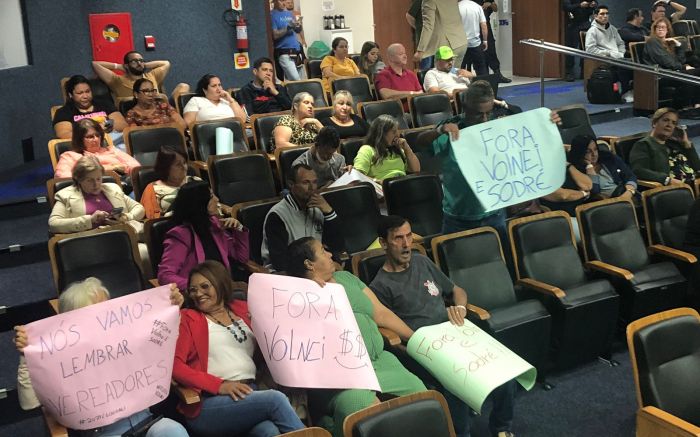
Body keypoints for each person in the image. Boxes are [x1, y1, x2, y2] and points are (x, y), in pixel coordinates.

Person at [369, 215, 516, 437]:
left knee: (503, 369)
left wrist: (460, 308)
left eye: (409, 236)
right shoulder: (380, 285)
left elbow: (457, 290)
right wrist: (411, 345)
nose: (407, 244)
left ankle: (501, 428)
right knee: (456, 385)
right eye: (398, 238)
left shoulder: (422, 261)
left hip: (455, 333)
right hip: (425, 347)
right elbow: (388, 331)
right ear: (383, 243)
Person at [286, 237, 426, 437]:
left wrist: (417, 340)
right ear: (309, 264)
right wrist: (312, 295)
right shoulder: (296, 296)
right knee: (368, 412)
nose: (330, 254)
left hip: (379, 361)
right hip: (341, 379)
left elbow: (381, 314)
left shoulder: (346, 278)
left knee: (420, 396)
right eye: (323, 252)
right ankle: (331, 426)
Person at [15, 277, 188, 437]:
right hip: (105, 433)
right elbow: (28, 403)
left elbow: (164, 343)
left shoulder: (129, 339)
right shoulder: (60, 358)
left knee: (173, 430)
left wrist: (172, 309)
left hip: (149, 423)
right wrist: (27, 356)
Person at [173, 260, 305, 436]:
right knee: (275, 400)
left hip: (250, 394)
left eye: (205, 286)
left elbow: (271, 343)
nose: (198, 294)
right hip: (209, 402)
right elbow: (175, 366)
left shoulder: (243, 309)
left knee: (269, 431)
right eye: (193, 290)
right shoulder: (188, 318)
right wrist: (219, 385)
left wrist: (263, 326)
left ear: (221, 284)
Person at [424, 80, 560, 239]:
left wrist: (547, 124)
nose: (484, 119)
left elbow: (529, 143)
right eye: (478, 114)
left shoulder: (498, 128)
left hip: (494, 215)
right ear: (465, 108)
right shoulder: (450, 128)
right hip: (458, 218)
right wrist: (439, 131)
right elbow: (419, 143)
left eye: (488, 113)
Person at [158, 180, 249, 291]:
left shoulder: (214, 226)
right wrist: (199, 287)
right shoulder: (180, 235)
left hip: (224, 291)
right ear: (200, 203)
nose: (217, 199)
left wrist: (239, 228)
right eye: (211, 197)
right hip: (200, 297)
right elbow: (165, 276)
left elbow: (241, 258)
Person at [261, 164, 344, 271]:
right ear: (291, 184)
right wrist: (312, 274)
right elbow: (280, 263)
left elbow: (337, 245)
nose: (312, 188)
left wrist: (329, 212)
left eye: (314, 182)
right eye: (306, 182)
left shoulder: (320, 207)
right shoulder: (277, 215)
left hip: (316, 269)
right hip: (286, 274)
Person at [49, 155, 144, 234]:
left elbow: (139, 208)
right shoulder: (65, 195)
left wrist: (126, 217)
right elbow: (54, 224)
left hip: (123, 238)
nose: (96, 184)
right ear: (79, 179)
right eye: (90, 180)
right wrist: (89, 220)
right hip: (91, 244)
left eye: (98, 179)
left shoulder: (113, 188)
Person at [629, 107, 700, 185]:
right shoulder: (644, 145)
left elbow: (697, 167)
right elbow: (638, 170)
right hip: (675, 190)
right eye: (666, 120)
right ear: (654, 123)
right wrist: (666, 180)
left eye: (674, 123)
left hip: (695, 185)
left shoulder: (675, 144)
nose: (669, 125)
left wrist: (687, 144)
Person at [54, 118, 140, 179]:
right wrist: (112, 168)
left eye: (98, 135)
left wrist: (120, 167)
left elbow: (136, 167)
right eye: (90, 137)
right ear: (79, 139)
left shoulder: (112, 150)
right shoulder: (69, 156)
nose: (96, 139)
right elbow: (64, 177)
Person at [53, 75, 127, 140]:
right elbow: (63, 135)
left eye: (87, 91)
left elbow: (122, 125)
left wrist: (109, 126)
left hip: (111, 141)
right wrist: (95, 130)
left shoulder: (104, 104)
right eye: (80, 93)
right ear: (70, 95)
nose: (85, 96)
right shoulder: (63, 112)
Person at [91, 50, 187, 100]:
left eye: (141, 60)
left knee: (184, 86)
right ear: (127, 65)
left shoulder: (152, 75)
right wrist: (119, 66)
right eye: (134, 61)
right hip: (135, 115)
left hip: (159, 109)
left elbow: (166, 63)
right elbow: (95, 64)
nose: (139, 63)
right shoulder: (117, 81)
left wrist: (144, 65)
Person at [568, 135, 638, 199]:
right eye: (588, 152)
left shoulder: (609, 158)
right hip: (608, 204)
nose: (594, 154)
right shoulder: (576, 171)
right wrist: (589, 167)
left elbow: (630, 175)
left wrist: (629, 191)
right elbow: (594, 190)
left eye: (595, 149)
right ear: (579, 154)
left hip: (627, 194)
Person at [585, 5, 632, 100]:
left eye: (607, 13)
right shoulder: (592, 31)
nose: (605, 16)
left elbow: (620, 43)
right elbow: (590, 50)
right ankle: (625, 92)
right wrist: (608, 53)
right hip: (604, 60)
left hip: (618, 57)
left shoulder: (612, 28)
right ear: (595, 16)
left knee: (635, 65)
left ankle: (632, 91)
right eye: (602, 14)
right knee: (624, 68)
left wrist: (621, 53)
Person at [354, 115, 420, 181]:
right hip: (381, 188)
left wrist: (407, 148)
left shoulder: (398, 148)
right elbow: (357, 176)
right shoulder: (367, 150)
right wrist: (377, 181)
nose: (398, 134)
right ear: (381, 133)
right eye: (394, 132)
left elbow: (416, 170)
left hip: (403, 184)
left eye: (398, 130)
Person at [140, 146, 199, 219]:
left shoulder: (196, 181)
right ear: (166, 167)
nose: (184, 167)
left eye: (184, 162)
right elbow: (152, 220)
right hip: (174, 227)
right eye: (178, 164)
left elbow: (215, 206)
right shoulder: (153, 190)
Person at [413, 0, 468, 72]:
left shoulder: (429, 1)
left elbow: (428, 26)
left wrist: (421, 50)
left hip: (446, 46)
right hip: (461, 42)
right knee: (455, 76)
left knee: (442, 78)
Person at [473, 0, 511, 83]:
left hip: (486, 26)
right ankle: (483, 78)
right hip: (473, 28)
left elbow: (495, 8)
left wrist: (490, 4)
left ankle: (497, 75)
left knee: (491, 51)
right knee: (479, 53)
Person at [563, 0, 596, 81]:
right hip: (573, 24)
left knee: (586, 49)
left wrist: (593, 4)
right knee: (570, 49)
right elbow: (566, 7)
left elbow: (596, 4)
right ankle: (569, 72)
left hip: (585, 23)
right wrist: (579, 5)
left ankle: (584, 71)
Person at [271, 0, 304, 81]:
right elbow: (275, 35)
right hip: (284, 53)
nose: (284, 3)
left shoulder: (289, 13)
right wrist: (287, 28)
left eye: (285, 1)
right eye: (281, 1)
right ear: (275, 1)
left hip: (296, 51)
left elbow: (297, 31)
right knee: (296, 80)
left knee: (302, 81)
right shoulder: (271, 15)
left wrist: (298, 26)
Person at [458, 0, 489, 76]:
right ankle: (484, 86)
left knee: (458, 68)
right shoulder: (477, 7)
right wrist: (485, 41)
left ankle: (461, 86)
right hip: (475, 43)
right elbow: (484, 25)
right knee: (481, 68)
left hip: (460, 43)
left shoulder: (456, 7)